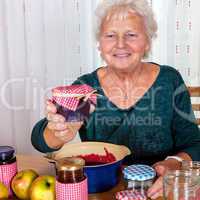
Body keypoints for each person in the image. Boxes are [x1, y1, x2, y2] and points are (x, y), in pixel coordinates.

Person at [31, 0, 200, 198]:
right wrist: (57, 133)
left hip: (159, 190)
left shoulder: (168, 81)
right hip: (104, 191)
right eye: (110, 35)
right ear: (100, 44)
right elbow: (40, 140)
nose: (120, 44)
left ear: (147, 41)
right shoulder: (88, 91)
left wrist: (173, 164)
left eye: (131, 34)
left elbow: (194, 144)